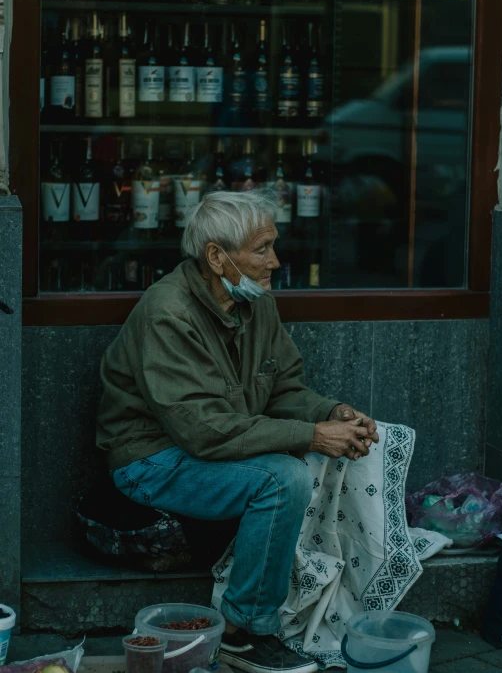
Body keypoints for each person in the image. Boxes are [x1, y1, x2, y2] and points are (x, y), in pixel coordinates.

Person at [96, 190, 379, 673]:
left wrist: (334, 412)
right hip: (150, 459)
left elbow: (284, 388)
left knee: (342, 451)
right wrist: (311, 435)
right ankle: (241, 632)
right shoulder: (169, 311)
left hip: (212, 444)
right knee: (282, 479)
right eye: (262, 248)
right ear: (216, 257)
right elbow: (202, 433)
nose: (275, 260)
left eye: (273, 245)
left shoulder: (255, 302)